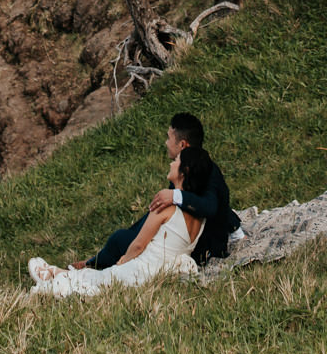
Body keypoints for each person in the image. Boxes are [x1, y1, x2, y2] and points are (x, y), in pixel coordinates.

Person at [28, 148, 210, 297]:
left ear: (183, 171)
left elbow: (139, 244)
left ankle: (51, 279)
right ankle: (53, 271)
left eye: (176, 160)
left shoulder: (165, 206)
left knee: (97, 280)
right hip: (164, 271)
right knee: (96, 277)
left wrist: (124, 261)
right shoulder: (200, 215)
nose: (171, 162)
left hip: (144, 270)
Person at [77, 112, 240, 272]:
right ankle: (96, 261)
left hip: (202, 249)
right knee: (128, 236)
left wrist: (176, 195)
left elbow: (212, 206)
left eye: (169, 138)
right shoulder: (191, 169)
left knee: (120, 239)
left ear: (182, 145)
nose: (166, 143)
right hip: (181, 239)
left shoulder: (208, 171)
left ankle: (92, 266)